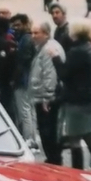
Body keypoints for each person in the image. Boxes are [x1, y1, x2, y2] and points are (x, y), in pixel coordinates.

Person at [59, 19, 91, 174]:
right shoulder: (89, 48)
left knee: (74, 138)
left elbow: (65, 74)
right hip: (89, 97)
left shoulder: (77, 51)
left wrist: (55, 59)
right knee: (88, 134)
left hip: (77, 99)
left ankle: (77, 173)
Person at [29, 20, 64, 165]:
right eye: (32, 32)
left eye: (36, 33)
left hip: (46, 98)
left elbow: (50, 75)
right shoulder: (43, 48)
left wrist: (47, 98)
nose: (33, 36)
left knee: (48, 131)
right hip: (41, 95)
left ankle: (54, 159)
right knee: (46, 131)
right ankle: (52, 158)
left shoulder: (49, 49)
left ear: (46, 34)